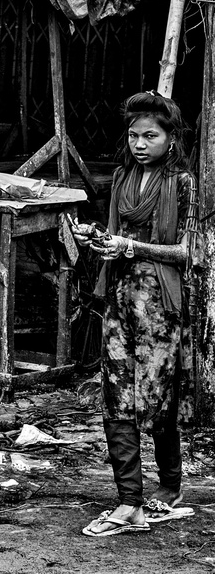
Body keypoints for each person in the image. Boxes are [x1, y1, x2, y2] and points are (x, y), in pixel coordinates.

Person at [76, 91, 198, 537]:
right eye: (133, 135)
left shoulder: (182, 183)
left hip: (160, 308)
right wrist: (100, 240)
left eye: (151, 135)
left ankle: (170, 485)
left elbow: (188, 252)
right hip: (121, 300)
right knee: (115, 400)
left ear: (170, 138)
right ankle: (129, 502)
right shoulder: (123, 177)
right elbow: (116, 236)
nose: (140, 143)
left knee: (157, 399)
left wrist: (133, 246)